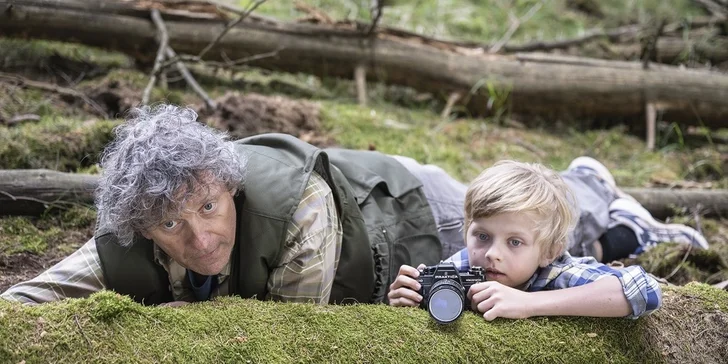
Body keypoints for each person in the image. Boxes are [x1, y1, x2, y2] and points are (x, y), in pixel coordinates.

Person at [1, 104, 708, 308]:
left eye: (209, 207)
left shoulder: (296, 211)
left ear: (229, 186)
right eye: (169, 225)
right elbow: (33, 299)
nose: (200, 236)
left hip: (415, 212)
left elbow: (279, 340)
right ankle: (615, 232)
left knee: (538, 232)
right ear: (140, 224)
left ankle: (594, 187)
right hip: (366, 202)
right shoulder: (130, 229)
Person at [387, 159, 706, 320]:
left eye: (514, 242)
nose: (492, 254)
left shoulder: (557, 272)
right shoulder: (460, 267)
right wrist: (404, 300)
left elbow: (644, 290)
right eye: (482, 235)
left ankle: (635, 226)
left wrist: (530, 303)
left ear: (549, 252)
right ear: (466, 230)